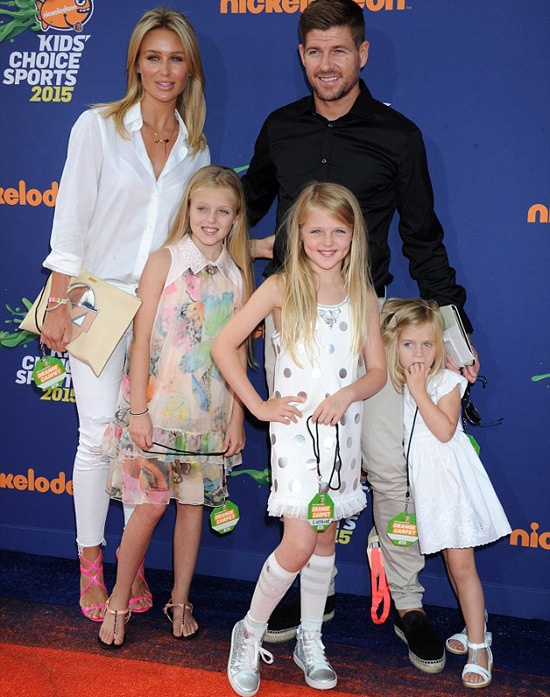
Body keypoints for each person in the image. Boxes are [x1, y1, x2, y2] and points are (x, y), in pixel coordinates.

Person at [241, 0, 479, 672]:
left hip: (367, 327)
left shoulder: (399, 137)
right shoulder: (279, 127)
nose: (327, 64)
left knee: (387, 469)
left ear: (362, 53)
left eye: (339, 50)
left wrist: (455, 335)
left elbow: (423, 240)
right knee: (307, 470)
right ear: (301, 55)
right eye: (315, 52)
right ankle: (308, 601)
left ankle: (407, 602)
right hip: (292, 330)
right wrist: (197, 249)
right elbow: (244, 205)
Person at [39, 7, 210, 623]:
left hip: (161, 317)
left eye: (176, 58)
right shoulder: (98, 127)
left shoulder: (195, 148)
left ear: (190, 69)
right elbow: (71, 217)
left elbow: (196, 234)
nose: (164, 70)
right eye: (153, 57)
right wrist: (58, 301)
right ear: (136, 63)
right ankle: (91, 561)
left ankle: (131, 559)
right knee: (95, 436)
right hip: (95, 301)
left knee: (144, 441)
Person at [212, 182, 387, 695]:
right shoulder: (281, 286)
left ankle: (310, 638)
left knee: (326, 536)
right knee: (300, 540)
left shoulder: (363, 294)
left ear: (354, 236)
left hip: (343, 434)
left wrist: (348, 394)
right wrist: (259, 406)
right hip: (293, 434)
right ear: (299, 234)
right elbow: (223, 345)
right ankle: (249, 631)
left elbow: (377, 372)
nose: (327, 242)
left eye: (338, 231)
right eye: (316, 231)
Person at [98, 165, 254, 648]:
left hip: (210, 418)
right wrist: (139, 411)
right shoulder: (163, 261)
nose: (211, 219)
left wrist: (237, 417)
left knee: (192, 510)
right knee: (148, 509)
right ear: (187, 209)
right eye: (202, 208)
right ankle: (118, 599)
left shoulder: (237, 275)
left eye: (223, 211)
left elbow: (240, 352)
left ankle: (181, 600)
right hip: (158, 412)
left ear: (236, 218)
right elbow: (140, 339)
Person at [380, 298, 510, 688]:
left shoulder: (447, 382)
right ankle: (474, 626)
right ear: (394, 346)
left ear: (440, 346)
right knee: (454, 567)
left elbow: (444, 430)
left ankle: (479, 647)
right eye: (409, 344)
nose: (418, 353)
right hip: (428, 487)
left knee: (462, 567)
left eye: (427, 344)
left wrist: (420, 390)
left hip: (450, 486)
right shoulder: (404, 384)